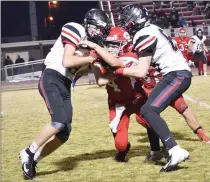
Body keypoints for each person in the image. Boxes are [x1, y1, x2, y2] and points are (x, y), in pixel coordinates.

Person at [96, 4, 192, 172]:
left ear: (133, 20)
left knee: (148, 111)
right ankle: (156, 151)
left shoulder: (143, 34)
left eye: (126, 20)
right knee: (148, 109)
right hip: (175, 73)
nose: (125, 24)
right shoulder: (152, 29)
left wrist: (116, 70)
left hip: (176, 74)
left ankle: (174, 149)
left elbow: (140, 71)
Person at [19, 9, 110, 180]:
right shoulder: (76, 29)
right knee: (59, 121)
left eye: (102, 29)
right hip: (51, 76)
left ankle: (34, 160)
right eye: (98, 28)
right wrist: (91, 60)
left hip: (65, 84)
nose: (99, 32)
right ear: (89, 24)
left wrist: (119, 71)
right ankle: (28, 151)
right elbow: (67, 61)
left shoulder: (95, 48)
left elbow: (99, 80)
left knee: (64, 133)